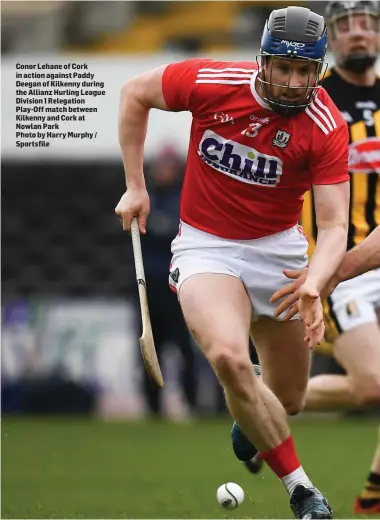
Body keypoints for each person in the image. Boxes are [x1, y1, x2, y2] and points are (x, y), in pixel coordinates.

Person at [115, 5, 350, 518]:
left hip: (281, 252)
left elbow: (334, 226)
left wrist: (315, 279)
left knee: (287, 399)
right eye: (283, 68)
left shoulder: (326, 124)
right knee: (228, 356)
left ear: (318, 70)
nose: (292, 82)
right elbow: (135, 93)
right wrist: (136, 186)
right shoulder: (212, 81)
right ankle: (302, 490)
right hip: (207, 247)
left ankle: (250, 412)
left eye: (304, 71)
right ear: (263, 62)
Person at [237, 2, 380, 514]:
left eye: (368, 24)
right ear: (329, 43)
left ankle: (370, 498)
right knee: (372, 384)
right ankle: (260, 406)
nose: (359, 34)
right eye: (346, 26)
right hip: (336, 265)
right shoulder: (310, 100)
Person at [137, 145, 197, 419]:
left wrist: (161, 227)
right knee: (150, 350)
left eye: (170, 166)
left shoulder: (185, 197)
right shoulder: (144, 198)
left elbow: (177, 230)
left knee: (185, 348)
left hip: (178, 287)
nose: (165, 171)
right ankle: (153, 407)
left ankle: (194, 404)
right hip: (148, 290)